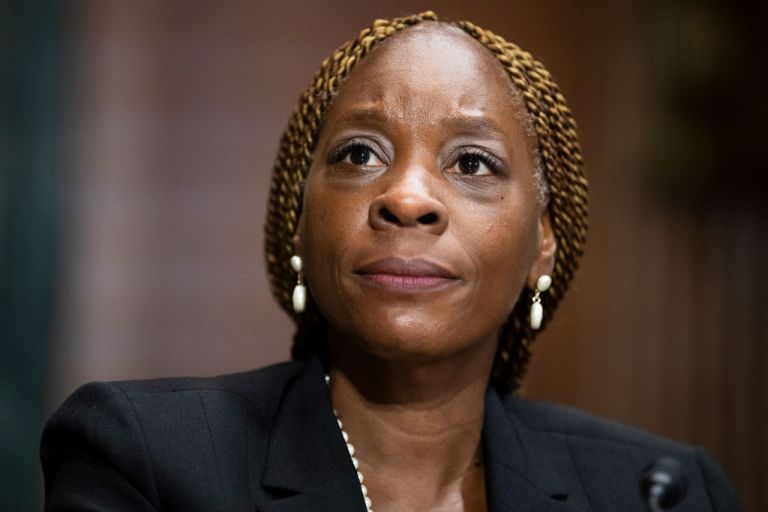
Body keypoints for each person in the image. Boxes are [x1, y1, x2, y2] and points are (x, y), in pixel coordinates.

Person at [41, 11, 739, 512]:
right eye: (360, 154)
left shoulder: (662, 491)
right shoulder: (144, 458)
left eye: (472, 163)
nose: (406, 198)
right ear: (297, 224)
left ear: (542, 246)